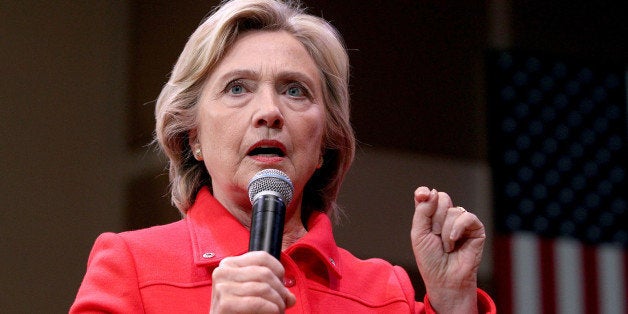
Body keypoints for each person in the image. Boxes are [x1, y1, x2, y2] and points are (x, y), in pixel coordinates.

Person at [71, 0, 496, 312]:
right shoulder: (131, 265)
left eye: (295, 90)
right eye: (238, 87)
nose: (270, 111)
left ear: (326, 143)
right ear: (192, 136)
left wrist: (455, 303)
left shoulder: (385, 291)